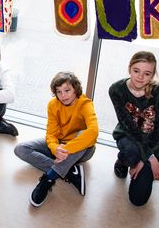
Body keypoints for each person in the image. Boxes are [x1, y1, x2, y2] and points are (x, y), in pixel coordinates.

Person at [14, 71, 98, 207]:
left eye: (67, 90)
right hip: (60, 145)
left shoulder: (85, 104)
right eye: (59, 92)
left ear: (75, 89)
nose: (63, 95)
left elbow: (93, 131)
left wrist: (67, 149)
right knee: (20, 149)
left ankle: (49, 178)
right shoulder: (53, 104)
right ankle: (70, 172)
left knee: (84, 132)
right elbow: (51, 133)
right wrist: (55, 148)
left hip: (82, 150)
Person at [109, 51, 159, 207]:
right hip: (128, 136)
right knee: (131, 154)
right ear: (129, 68)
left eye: (147, 73)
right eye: (136, 71)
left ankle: (136, 162)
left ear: (152, 75)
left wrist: (145, 160)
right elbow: (129, 127)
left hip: (152, 143)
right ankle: (124, 161)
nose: (140, 77)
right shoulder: (116, 89)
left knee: (138, 200)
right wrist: (148, 158)